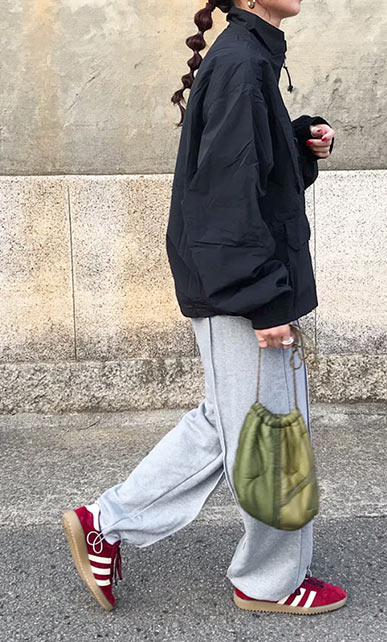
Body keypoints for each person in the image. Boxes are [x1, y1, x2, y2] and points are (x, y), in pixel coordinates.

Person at [62, 0, 347, 615]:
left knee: (233, 424)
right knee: (269, 432)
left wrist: (299, 142)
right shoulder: (243, 62)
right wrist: (263, 302)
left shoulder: (251, 56)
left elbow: (254, 176)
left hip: (241, 284)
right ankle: (268, 580)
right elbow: (224, 200)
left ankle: (104, 523)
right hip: (241, 290)